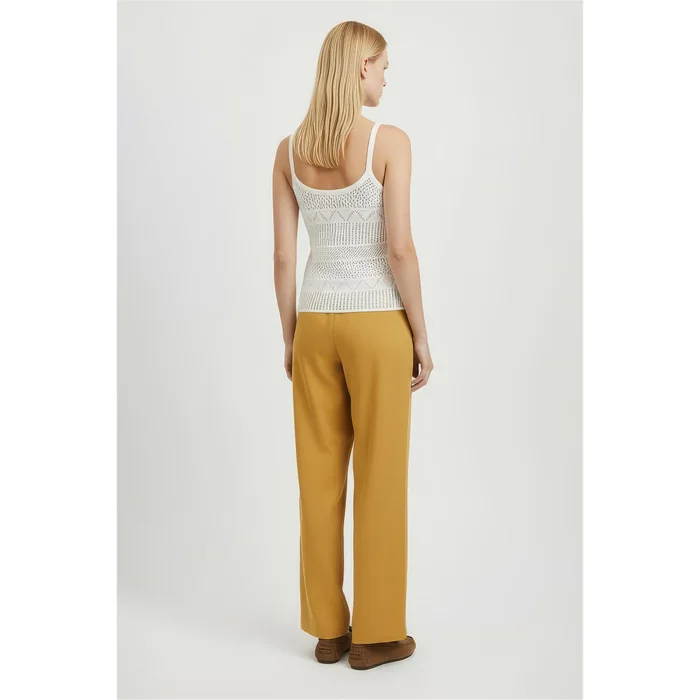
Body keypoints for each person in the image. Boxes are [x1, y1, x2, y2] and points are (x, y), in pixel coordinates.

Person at [272, 20, 434, 671]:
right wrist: (421, 333)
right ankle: (376, 634)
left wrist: (291, 335)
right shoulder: (389, 142)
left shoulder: (288, 152)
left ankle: (328, 630)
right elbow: (400, 249)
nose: (387, 77)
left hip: (315, 323)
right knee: (380, 476)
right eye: (383, 65)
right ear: (362, 66)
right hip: (376, 324)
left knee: (317, 478)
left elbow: (285, 258)